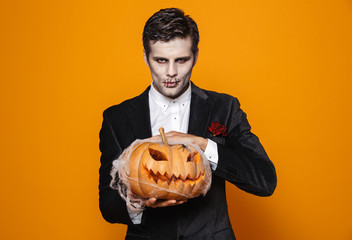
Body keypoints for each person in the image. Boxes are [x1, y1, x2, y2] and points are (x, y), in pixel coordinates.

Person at [99, 8, 277, 240]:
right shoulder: (118, 117)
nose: (171, 72)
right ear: (145, 57)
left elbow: (265, 181)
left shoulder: (224, 107)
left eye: (181, 60)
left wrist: (204, 146)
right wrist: (138, 202)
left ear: (196, 55)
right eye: (161, 60)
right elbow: (108, 205)